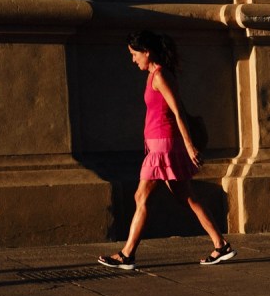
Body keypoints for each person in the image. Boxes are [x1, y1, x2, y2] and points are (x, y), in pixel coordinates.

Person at [99, 30, 234, 271]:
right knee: (188, 197)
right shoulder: (153, 75)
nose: (133, 59)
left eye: (134, 54)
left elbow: (178, 112)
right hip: (158, 144)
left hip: (164, 146)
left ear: (147, 52)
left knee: (141, 197)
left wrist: (190, 145)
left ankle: (127, 254)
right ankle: (221, 245)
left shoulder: (160, 76)